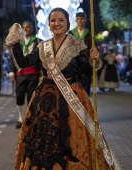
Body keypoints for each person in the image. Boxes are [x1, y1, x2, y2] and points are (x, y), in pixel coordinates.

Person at [6, 7, 115, 169]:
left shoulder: (76, 45)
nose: (57, 23)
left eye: (61, 20)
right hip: (45, 99)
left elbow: (87, 71)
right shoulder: (42, 46)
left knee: (72, 137)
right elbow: (23, 63)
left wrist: (94, 60)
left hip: (72, 97)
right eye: (53, 20)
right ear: (49, 25)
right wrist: (15, 43)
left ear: (67, 23)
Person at [9, 21, 41, 129]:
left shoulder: (38, 41)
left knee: (32, 97)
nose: (27, 29)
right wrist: (11, 71)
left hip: (34, 74)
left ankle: (31, 118)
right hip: (21, 73)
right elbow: (13, 57)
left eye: (29, 27)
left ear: (32, 29)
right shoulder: (18, 42)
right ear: (22, 29)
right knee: (19, 95)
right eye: (25, 27)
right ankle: (20, 118)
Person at [69, 12, 94, 96]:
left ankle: (85, 108)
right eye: (78, 18)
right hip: (74, 65)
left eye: (82, 18)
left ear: (85, 20)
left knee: (85, 90)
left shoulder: (90, 34)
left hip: (86, 64)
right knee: (74, 90)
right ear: (76, 20)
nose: (80, 20)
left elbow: (94, 48)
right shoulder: (71, 34)